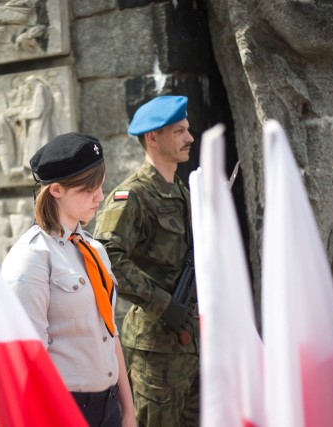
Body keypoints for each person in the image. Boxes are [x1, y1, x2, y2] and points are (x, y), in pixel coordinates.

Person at [2, 133, 135, 427]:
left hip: (110, 407)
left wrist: (128, 411)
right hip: (63, 411)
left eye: (100, 186)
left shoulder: (95, 249)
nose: (100, 197)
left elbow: (110, 335)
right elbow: (27, 361)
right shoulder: (31, 258)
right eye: (89, 189)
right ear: (57, 190)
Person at [93, 96, 199, 427]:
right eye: (179, 131)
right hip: (155, 349)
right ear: (153, 137)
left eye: (188, 129)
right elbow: (107, 256)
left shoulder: (182, 191)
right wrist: (163, 304)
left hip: (190, 343)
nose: (189, 138)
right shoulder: (132, 196)